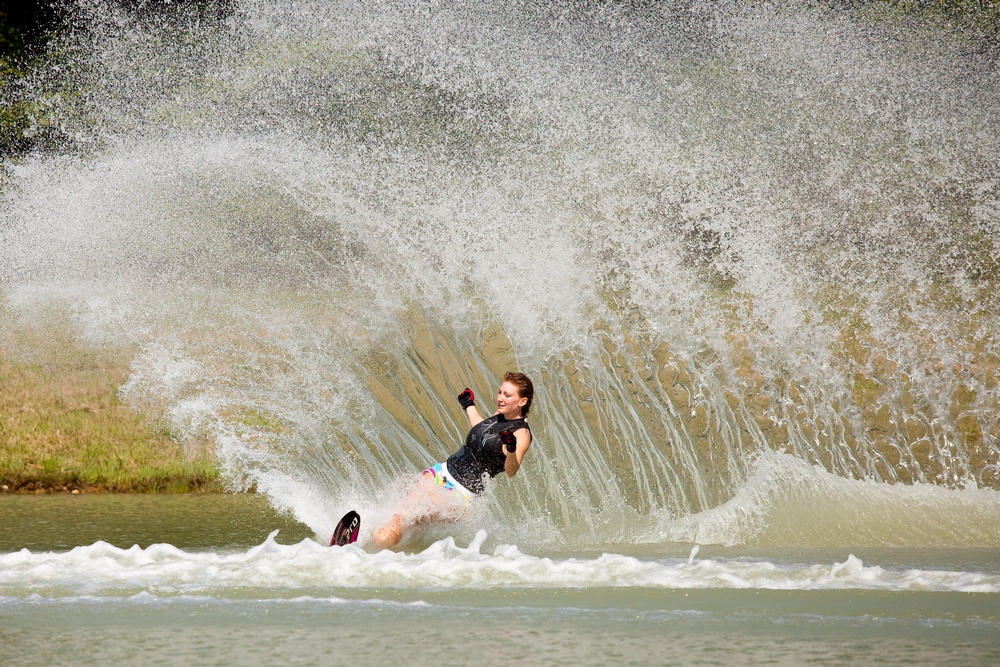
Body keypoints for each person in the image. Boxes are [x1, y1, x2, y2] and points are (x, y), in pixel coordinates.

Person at [371, 371, 534, 549]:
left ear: (522, 401)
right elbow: (482, 432)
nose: (500, 398)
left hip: (460, 494)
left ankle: (367, 554)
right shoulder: (500, 414)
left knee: (407, 518)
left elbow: (511, 470)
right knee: (401, 517)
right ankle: (368, 544)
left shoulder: (521, 433)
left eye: (507, 395)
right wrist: (469, 405)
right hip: (441, 472)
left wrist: (510, 449)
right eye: (500, 392)